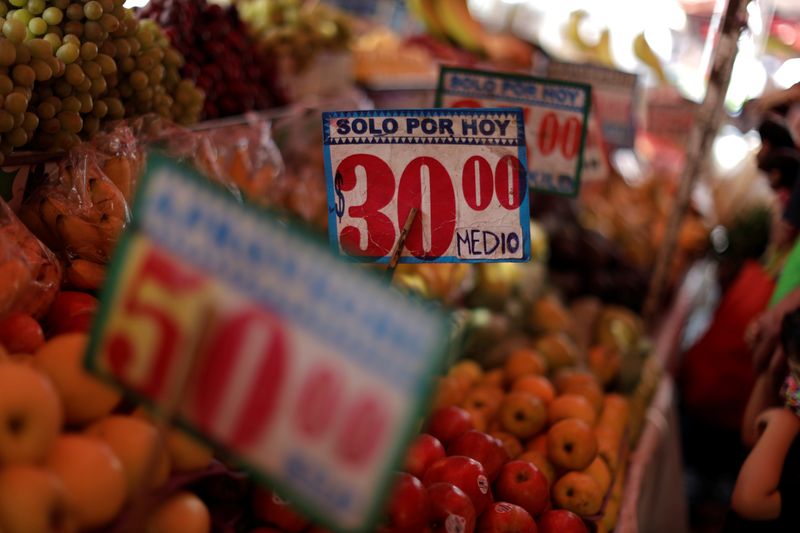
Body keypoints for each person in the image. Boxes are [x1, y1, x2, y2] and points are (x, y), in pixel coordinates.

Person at [725, 310, 800, 531]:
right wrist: (770, 371)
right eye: (794, 372)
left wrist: (781, 425)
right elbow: (752, 435)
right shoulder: (793, 398)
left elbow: (750, 502)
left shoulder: (787, 421)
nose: (794, 387)